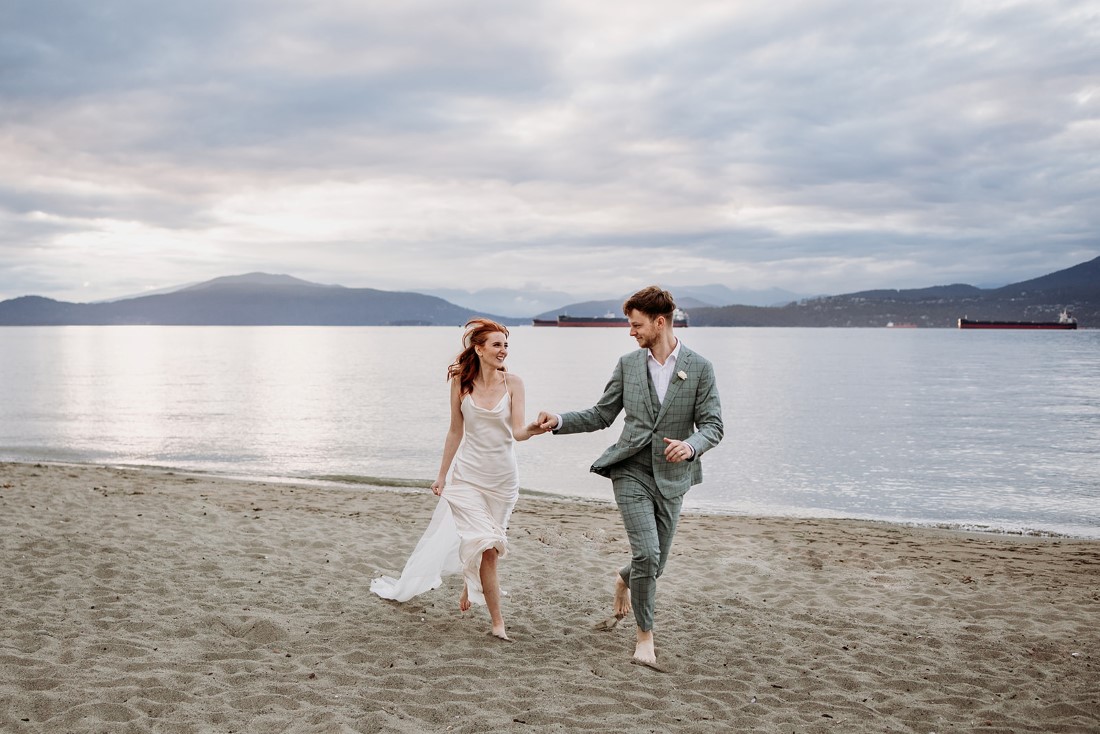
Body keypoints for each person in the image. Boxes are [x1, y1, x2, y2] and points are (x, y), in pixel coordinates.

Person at [536, 286, 723, 670]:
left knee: (655, 564)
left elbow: (713, 426)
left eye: (636, 324)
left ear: (660, 322)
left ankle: (624, 579)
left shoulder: (700, 367)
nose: (631, 331)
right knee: (647, 555)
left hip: (673, 476)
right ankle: (644, 639)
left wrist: (690, 446)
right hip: (630, 469)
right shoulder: (628, 365)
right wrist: (559, 420)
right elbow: (601, 414)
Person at [371, 318, 545, 641]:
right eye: (496, 344)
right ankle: (498, 623)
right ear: (479, 349)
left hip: (503, 481)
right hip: (467, 477)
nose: (503, 350)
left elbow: (518, 432)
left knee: (488, 544)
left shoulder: (514, 384)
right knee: (487, 547)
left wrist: (534, 429)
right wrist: (441, 475)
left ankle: (471, 582)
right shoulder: (461, 383)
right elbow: (455, 431)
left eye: (506, 345)